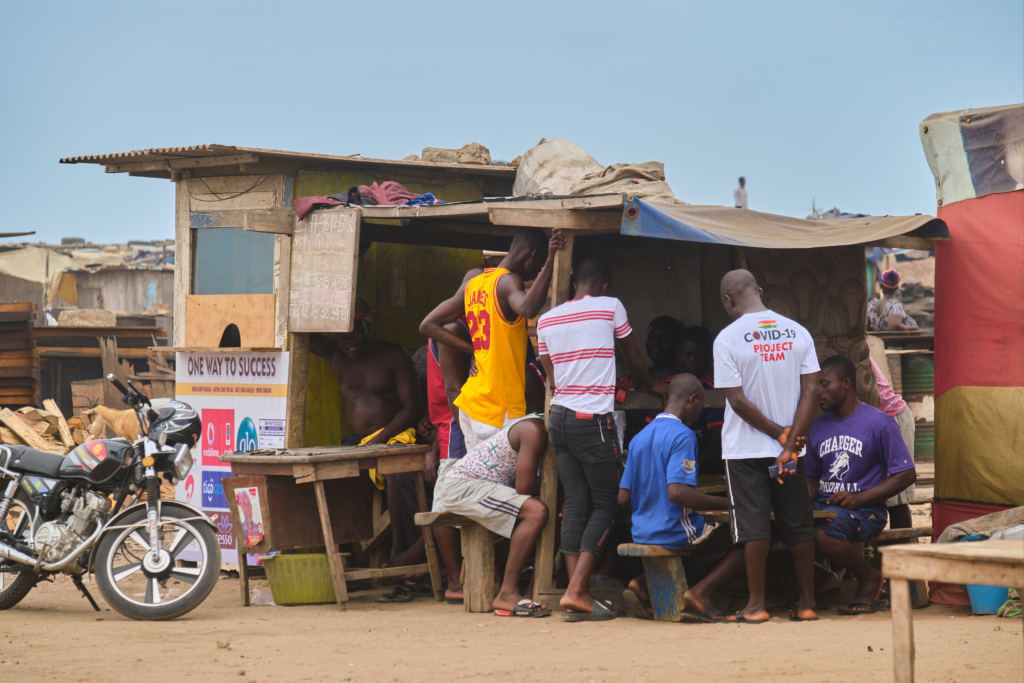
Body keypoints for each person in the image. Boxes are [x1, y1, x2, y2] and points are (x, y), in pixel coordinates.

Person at [536, 256, 667, 620]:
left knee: (576, 503)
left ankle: (576, 590)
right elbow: (633, 355)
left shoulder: (546, 319)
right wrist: (652, 385)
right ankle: (578, 591)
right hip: (592, 419)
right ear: (605, 285)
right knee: (607, 504)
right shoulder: (611, 306)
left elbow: (553, 378)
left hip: (559, 417)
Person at [714, 269, 820, 623]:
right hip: (791, 450)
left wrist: (778, 434)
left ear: (728, 300)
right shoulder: (799, 332)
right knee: (799, 524)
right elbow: (811, 393)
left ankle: (756, 605)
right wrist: (790, 443)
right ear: (759, 290)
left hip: (745, 450)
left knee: (753, 527)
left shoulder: (727, 339)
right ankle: (807, 604)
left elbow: (737, 402)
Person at [420, 227, 565, 450]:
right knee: (503, 483)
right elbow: (528, 308)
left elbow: (428, 324)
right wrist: (551, 262)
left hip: (473, 404)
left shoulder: (474, 284)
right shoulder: (509, 281)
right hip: (499, 408)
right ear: (532, 254)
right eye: (539, 264)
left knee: (480, 481)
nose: (536, 272)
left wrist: (474, 350)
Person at [618, 375, 745, 622]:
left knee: (707, 532)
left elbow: (623, 497)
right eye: (701, 406)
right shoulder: (683, 435)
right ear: (692, 399)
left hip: (642, 531)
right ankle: (701, 593)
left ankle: (642, 583)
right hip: (673, 530)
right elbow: (678, 493)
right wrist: (728, 504)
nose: (700, 414)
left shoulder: (639, 437)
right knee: (747, 536)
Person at [308, 301, 424, 562]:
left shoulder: (393, 354)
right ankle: (347, 557)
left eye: (356, 333)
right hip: (358, 441)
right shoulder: (334, 352)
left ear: (367, 327)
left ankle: (399, 549)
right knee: (329, 474)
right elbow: (306, 331)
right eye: (343, 336)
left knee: (396, 473)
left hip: (394, 435)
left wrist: (380, 440)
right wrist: (333, 309)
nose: (351, 342)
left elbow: (413, 407)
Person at [806, 356, 916, 615]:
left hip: (866, 511)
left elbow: (906, 474)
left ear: (846, 384)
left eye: (824, 384)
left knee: (819, 534)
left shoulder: (879, 423)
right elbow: (811, 479)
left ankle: (869, 577)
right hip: (825, 506)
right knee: (779, 529)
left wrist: (860, 498)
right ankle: (823, 578)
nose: (818, 392)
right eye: (816, 385)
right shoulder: (818, 427)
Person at [435, 414, 551, 617]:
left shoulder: (537, 428)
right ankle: (507, 593)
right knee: (536, 512)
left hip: (483, 486)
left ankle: (530, 592)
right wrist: (556, 482)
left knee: (551, 512)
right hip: (463, 488)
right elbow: (524, 486)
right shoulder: (533, 429)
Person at [870, 357, 917, 528]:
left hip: (893, 418)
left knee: (895, 500)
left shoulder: (854, 350)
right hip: (874, 423)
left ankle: (900, 549)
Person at [679, 325, 725, 475]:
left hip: (706, 469)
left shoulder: (715, 390)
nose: (693, 360)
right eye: (688, 355)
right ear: (679, 355)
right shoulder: (666, 385)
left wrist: (689, 470)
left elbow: (716, 445)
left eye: (700, 355)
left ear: (710, 356)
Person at [645, 315, 685, 381]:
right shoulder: (646, 372)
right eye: (651, 337)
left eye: (664, 339)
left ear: (676, 343)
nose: (656, 343)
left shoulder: (677, 377)